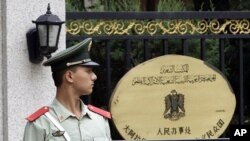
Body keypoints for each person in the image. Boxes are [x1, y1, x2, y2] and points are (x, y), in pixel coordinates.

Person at [23, 38, 112, 141]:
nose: (94, 76)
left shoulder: (100, 120)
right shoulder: (40, 124)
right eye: (88, 71)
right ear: (69, 76)